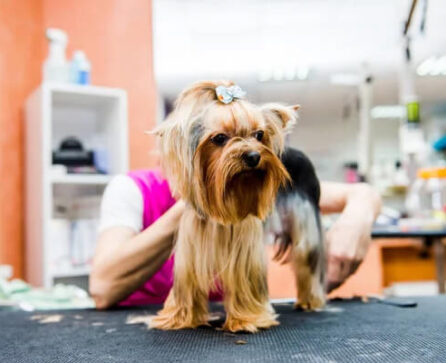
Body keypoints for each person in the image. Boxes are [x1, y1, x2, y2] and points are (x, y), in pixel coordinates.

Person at [90, 169, 381, 309]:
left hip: (216, 332)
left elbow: (360, 194)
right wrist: (194, 205)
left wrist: (357, 218)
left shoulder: (250, 181)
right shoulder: (131, 190)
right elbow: (103, 288)